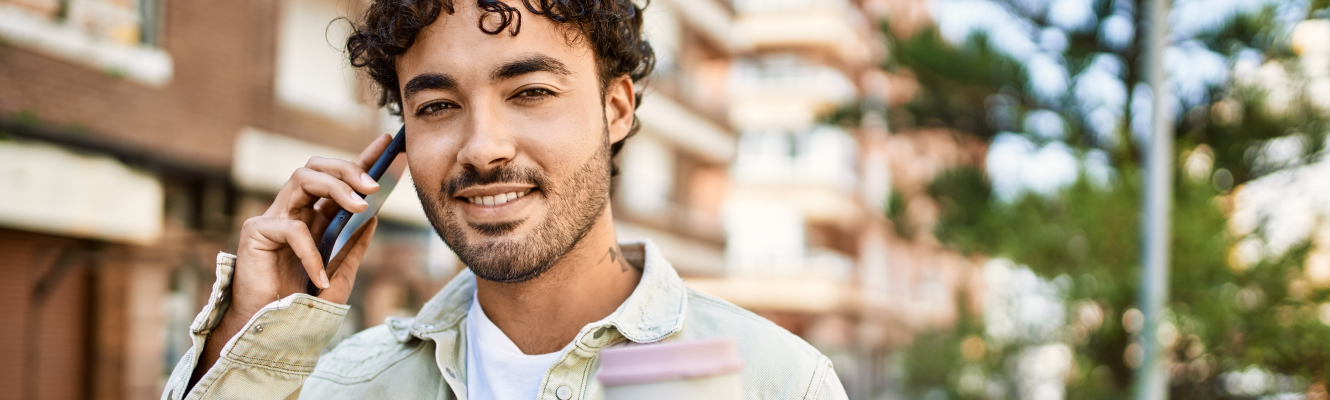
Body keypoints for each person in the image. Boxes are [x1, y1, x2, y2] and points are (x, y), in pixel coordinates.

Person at [162, 0, 849, 398]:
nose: (483, 147)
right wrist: (250, 340)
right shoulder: (338, 386)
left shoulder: (777, 384)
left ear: (616, 109)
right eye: (436, 106)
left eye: (531, 92)